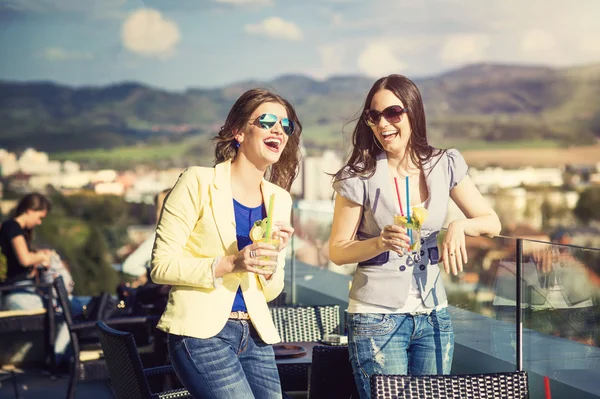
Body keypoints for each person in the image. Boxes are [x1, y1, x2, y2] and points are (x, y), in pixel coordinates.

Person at [329, 74, 501, 399]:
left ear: (413, 112)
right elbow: (337, 251)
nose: (383, 124)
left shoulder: (444, 164)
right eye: (374, 115)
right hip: (376, 316)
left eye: (393, 113)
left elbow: (492, 222)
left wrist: (459, 226)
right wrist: (379, 242)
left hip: (434, 314)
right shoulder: (358, 176)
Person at [151, 88, 301, 399]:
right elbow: (160, 266)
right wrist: (231, 263)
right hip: (201, 335)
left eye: (285, 126)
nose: (279, 130)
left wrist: (271, 263)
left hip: (256, 335)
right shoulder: (197, 181)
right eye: (268, 121)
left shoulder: (279, 200)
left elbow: (270, 291)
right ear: (237, 131)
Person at [0, 192, 53, 310]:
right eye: (40, 217)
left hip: (19, 290)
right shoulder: (12, 227)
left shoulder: (15, 228)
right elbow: (25, 259)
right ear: (30, 210)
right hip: (19, 291)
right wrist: (43, 256)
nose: (39, 222)